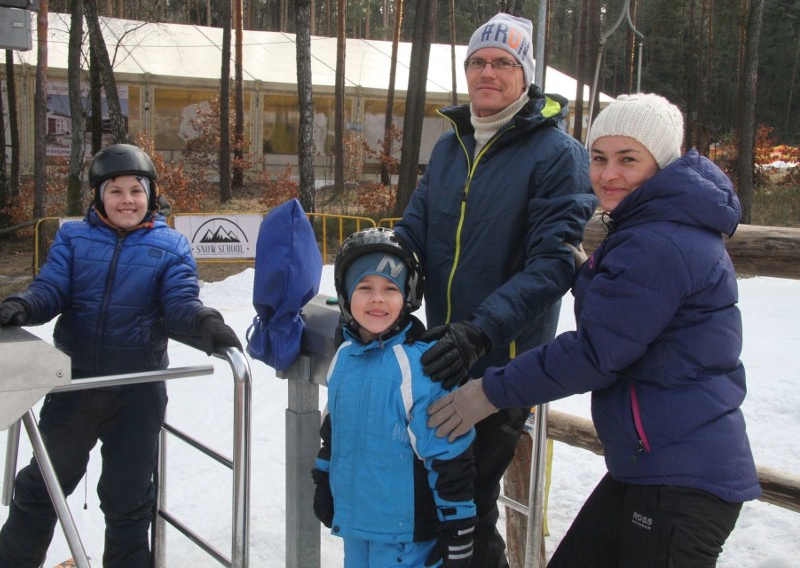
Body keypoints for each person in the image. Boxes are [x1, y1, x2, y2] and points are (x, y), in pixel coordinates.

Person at [427, 93, 762, 566]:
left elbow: (597, 353)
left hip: (683, 479)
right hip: (652, 464)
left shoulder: (658, 240)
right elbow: (635, 320)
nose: (608, 175)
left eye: (628, 160)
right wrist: (592, 276)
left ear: (660, 162)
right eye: (599, 158)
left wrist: (490, 391)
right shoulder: (652, 229)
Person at [394, 13, 597, 566]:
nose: (488, 71)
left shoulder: (558, 153)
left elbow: (555, 263)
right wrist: (375, 274)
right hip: (441, 353)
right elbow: (414, 232)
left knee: (466, 511)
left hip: (502, 363)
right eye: (478, 61)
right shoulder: (449, 146)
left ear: (525, 74)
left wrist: (481, 332)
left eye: (503, 63)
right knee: (438, 504)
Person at [0, 143, 241, 568]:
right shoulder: (74, 237)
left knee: (129, 498)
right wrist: (20, 307)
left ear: (151, 195)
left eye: (136, 190)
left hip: (137, 391)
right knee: (43, 487)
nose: (127, 201)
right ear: (99, 196)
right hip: (77, 384)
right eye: (115, 191)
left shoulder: (170, 245)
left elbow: (178, 302)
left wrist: (205, 322)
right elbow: (51, 288)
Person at [312, 227, 477, 567]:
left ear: (408, 296)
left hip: (406, 538)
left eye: (390, 289)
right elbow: (334, 428)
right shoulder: (344, 357)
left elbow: (449, 454)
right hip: (357, 528)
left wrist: (458, 527)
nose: (377, 299)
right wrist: (323, 479)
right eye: (364, 288)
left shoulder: (420, 367)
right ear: (345, 295)